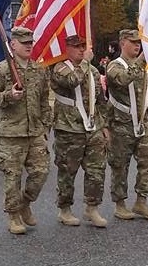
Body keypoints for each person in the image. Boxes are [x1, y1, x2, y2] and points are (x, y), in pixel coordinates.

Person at [0, 26, 52, 235]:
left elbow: (44, 101)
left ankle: (25, 202)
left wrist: (46, 127)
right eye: (24, 43)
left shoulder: (39, 70)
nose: (28, 46)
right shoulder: (3, 69)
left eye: (30, 43)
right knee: (12, 177)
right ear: (13, 45)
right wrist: (8, 96)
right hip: (11, 133)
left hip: (35, 132)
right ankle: (13, 215)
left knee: (41, 172)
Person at [50, 35, 109, 228]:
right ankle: (64, 209)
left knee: (96, 171)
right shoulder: (60, 68)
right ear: (67, 48)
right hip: (69, 129)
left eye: (83, 46)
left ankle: (92, 207)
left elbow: (100, 100)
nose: (81, 49)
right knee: (67, 172)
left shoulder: (91, 70)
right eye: (76, 47)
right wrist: (85, 62)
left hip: (93, 128)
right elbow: (72, 81)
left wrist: (105, 126)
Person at [106, 29, 148, 220]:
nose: (138, 45)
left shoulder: (144, 68)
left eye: (139, 43)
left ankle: (141, 201)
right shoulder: (114, 66)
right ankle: (120, 204)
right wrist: (140, 61)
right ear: (123, 43)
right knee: (120, 166)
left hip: (142, 124)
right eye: (133, 42)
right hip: (121, 125)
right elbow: (122, 80)